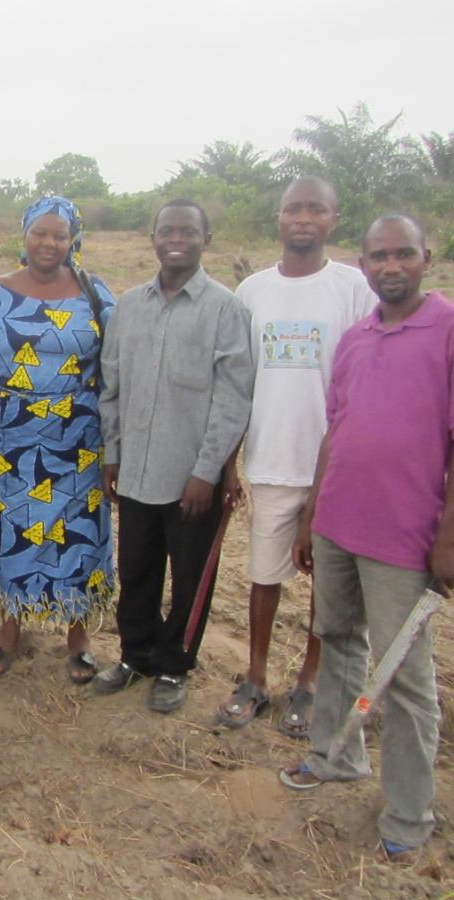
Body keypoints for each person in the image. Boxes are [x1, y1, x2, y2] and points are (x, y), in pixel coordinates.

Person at [280, 214, 452, 864]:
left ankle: (409, 811)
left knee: (405, 675)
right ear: (365, 262)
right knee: (337, 641)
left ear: (426, 257)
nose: (390, 265)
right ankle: (334, 754)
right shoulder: (355, 338)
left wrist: (447, 540)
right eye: (378, 255)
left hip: (406, 537)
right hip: (337, 525)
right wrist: (309, 515)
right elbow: (335, 432)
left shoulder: (447, 330)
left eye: (403, 253)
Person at [217, 177, 376, 736]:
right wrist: (228, 462)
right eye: (292, 209)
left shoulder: (355, 288)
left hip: (336, 468)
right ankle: (256, 677)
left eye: (315, 209)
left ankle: (308, 683)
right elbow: (236, 382)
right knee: (264, 574)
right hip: (270, 459)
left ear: (334, 218)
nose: (303, 218)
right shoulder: (253, 291)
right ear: (279, 220)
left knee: (326, 585)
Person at [96, 200, 253, 712]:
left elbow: (233, 399)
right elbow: (112, 388)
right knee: (136, 570)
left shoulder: (226, 311)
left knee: (189, 579)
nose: (176, 238)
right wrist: (112, 454)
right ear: (154, 238)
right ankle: (135, 655)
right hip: (136, 468)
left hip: (191, 478)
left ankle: (174, 666)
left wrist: (207, 472)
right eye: (167, 230)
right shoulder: (128, 307)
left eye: (189, 230)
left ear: (207, 238)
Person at [0, 197, 116, 680]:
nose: (49, 243)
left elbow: (118, 372)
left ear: (73, 240)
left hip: (80, 440)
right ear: (24, 236)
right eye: (39, 233)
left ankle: (79, 634)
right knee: (15, 532)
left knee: (83, 538)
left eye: (59, 235)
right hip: (13, 441)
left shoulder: (96, 294)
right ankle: (11, 626)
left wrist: (117, 447)